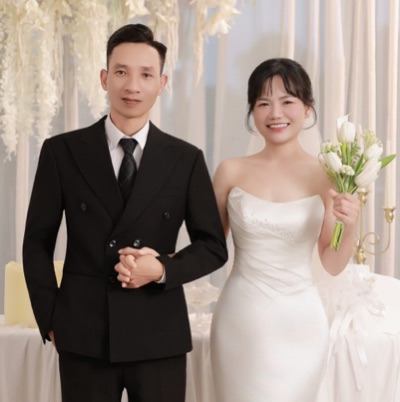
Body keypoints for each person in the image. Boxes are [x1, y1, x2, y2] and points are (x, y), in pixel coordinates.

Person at [23, 23, 227, 402]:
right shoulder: (62, 152)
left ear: (162, 83)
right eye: (121, 72)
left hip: (158, 333)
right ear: (104, 78)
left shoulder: (185, 159)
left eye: (146, 75)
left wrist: (162, 269)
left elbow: (213, 246)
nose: (132, 86)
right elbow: (36, 243)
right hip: (84, 333)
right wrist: (51, 318)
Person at [209, 58, 360, 402]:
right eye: (263, 103)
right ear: (252, 111)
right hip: (239, 321)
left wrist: (350, 226)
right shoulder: (230, 171)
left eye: (287, 101)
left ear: (307, 108)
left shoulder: (328, 175)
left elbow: (332, 263)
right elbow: (210, 249)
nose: (275, 113)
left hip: (300, 325)